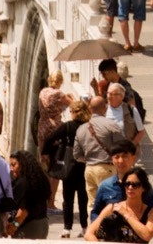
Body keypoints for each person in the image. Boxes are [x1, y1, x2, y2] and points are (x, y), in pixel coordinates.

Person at [45, 98, 92, 238]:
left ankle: (67, 228)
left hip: (69, 164)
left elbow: (49, 139)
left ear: (74, 112)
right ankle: (84, 227)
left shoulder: (67, 126)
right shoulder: (89, 126)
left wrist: (47, 153)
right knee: (83, 198)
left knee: (68, 198)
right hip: (85, 164)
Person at [85, 166, 153, 242]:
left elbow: (147, 235)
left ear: (143, 188)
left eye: (135, 185)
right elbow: (89, 233)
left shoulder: (152, 212)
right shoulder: (112, 208)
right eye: (127, 184)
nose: (130, 187)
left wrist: (126, 214)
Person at [75, 96, 127, 199]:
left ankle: (93, 216)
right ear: (105, 107)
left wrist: (88, 160)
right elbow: (122, 147)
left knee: (92, 204)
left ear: (90, 109)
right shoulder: (111, 125)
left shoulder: (81, 128)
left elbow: (76, 154)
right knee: (110, 201)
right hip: (107, 168)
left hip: (89, 169)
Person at [8, 149, 53, 239]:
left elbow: (23, 212)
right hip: (43, 224)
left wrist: (13, 227)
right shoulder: (38, 179)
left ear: (23, 164)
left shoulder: (23, 182)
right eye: (10, 165)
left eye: (14, 165)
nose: (11, 169)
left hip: (29, 228)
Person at [108, 81, 148, 148]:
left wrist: (131, 146)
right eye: (108, 93)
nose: (109, 97)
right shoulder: (103, 109)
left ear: (121, 96)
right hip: (107, 151)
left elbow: (141, 131)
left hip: (125, 150)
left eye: (113, 94)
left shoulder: (131, 110)